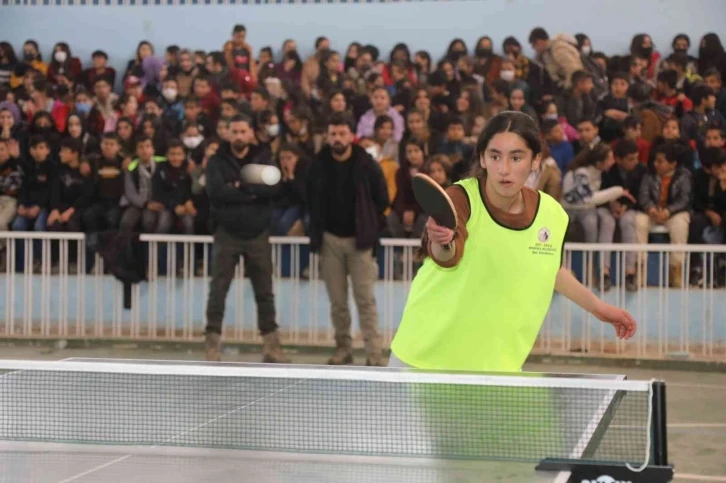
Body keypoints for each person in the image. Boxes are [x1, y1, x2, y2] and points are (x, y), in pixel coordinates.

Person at [389, 111, 636, 371]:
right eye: (495, 156)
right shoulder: (461, 197)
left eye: (516, 158)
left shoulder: (551, 214)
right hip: (422, 360)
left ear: (535, 160)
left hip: (495, 367)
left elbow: (549, 268)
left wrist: (597, 307)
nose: (504, 169)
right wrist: (441, 239)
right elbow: (446, 255)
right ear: (482, 158)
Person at [204, 114, 289, 363]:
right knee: (218, 290)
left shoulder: (263, 157)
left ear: (251, 132)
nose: (239, 136)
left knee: (264, 291)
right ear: (227, 133)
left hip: (257, 233)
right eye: (235, 131)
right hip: (226, 233)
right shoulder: (217, 161)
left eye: (243, 131)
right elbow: (215, 192)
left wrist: (238, 186)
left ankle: (272, 347)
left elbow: (273, 188)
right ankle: (212, 346)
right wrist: (252, 191)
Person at [307, 113, 389, 366]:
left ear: (351, 136)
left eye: (342, 134)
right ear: (327, 136)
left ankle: (374, 353)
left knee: (365, 300)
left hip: (360, 241)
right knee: (338, 302)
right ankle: (343, 349)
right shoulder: (317, 164)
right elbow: (309, 197)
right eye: (333, 134)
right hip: (329, 240)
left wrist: (368, 225)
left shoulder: (367, 164)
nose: (337, 139)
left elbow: (382, 199)